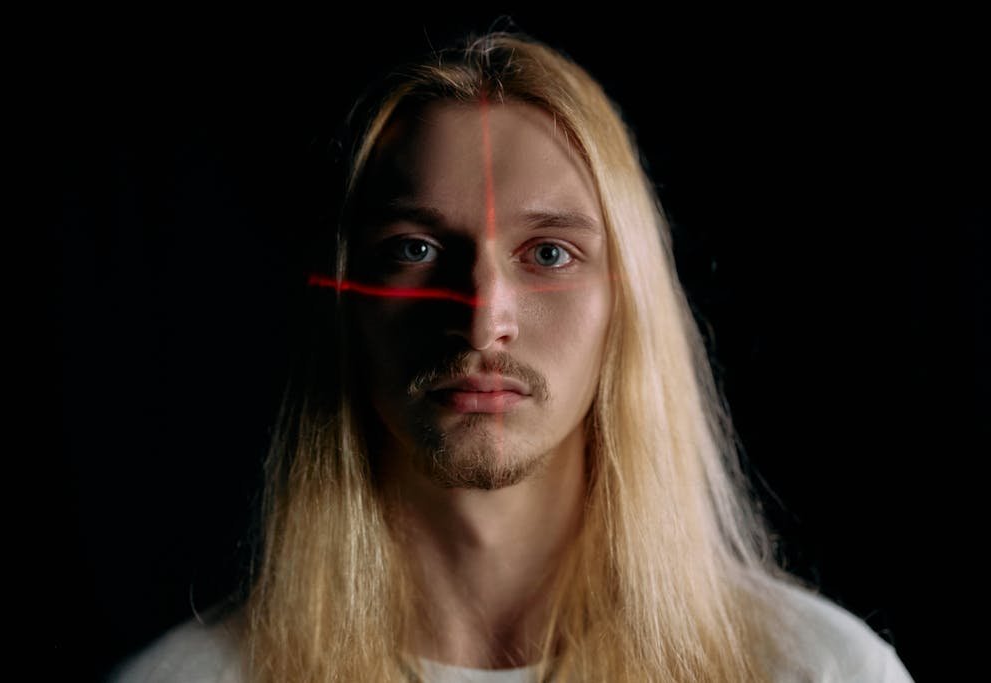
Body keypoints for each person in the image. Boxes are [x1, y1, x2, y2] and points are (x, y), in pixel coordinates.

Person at [108, 28, 914, 682]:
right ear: (347, 303)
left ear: (625, 305)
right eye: (415, 248)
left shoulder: (819, 672)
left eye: (549, 254)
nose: (483, 319)